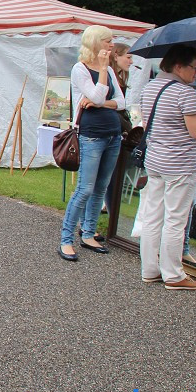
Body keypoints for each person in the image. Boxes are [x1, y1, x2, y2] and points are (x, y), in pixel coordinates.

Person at [136, 43, 196, 290]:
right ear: (179, 66)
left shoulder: (150, 88)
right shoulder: (184, 93)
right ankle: (173, 274)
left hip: (156, 160)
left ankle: (150, 268)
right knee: (175, 219)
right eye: (194, 68)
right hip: (179, 163)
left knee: (152, 215)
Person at [59, 26, 125, 262]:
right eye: (108, 41)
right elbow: (97, 95)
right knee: (85, 189)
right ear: (97, 43)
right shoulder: (80, 69)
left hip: (113, 134)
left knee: (100, 188)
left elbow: (121, 102)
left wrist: (100, 103)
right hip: (91, 134)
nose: (112, 45)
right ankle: (66, 239)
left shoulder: (109, 71)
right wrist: (104, 75)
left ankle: (88, 233)